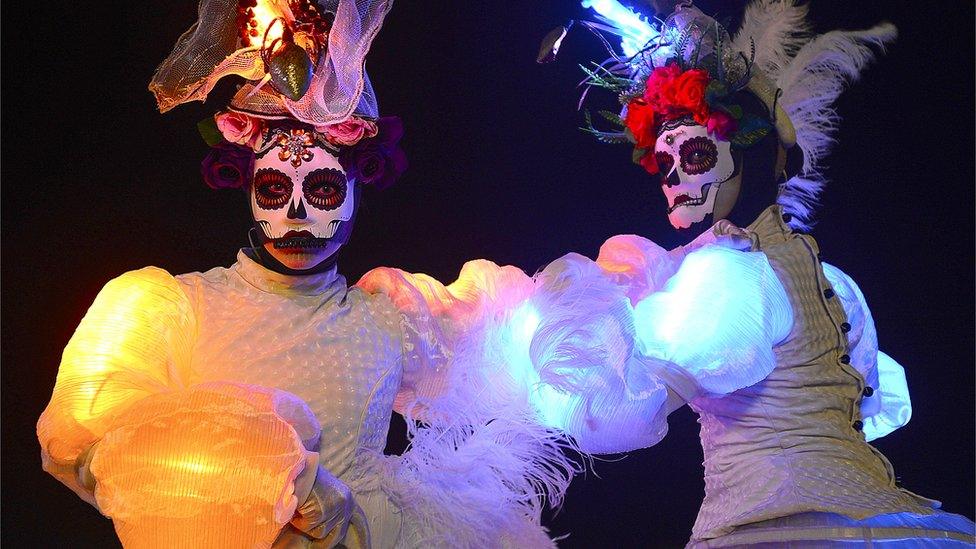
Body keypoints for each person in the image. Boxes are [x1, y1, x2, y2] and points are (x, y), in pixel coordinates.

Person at [37, 1, 754, 547]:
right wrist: (258, 471)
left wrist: (687, 274)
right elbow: (96, 433)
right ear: (241, 180)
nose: (294, 214)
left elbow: (537, 325)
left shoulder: (392, 314)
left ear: (357, 187)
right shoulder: (164, 306)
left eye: (320, 189)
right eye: (272, 189)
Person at [549, 0, 976, 546]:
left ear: (753, 153)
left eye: (697, 154)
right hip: (874, 518)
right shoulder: (830, 279)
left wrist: (557, 329)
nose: (675, 177)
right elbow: (868, 403)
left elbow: (617, 416)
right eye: (664, 162)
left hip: (772, 528)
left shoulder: (727, 277)